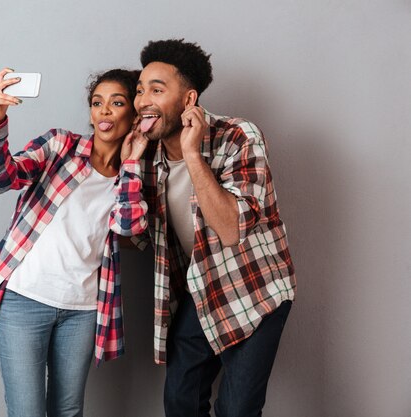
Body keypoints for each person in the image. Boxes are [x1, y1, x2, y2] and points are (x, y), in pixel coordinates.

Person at [114, 39, 297, 417]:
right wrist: (130, 167)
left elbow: (231, 230)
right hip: (201, 287)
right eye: (140, 90)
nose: (143, 100)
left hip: (255, 290)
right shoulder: (146, 157)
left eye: (157, 90)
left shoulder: (238, 136)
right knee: (180, 401)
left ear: (188, 100)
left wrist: (193, 154)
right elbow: (133, 239)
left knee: (237, 409)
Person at [0, 67, 147, 417]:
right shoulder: (61, 146)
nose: (104, 111)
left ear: (134, 113)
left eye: (117, 102)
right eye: (97, 103)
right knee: (28, 411)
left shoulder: (135, 174)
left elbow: (130, 228)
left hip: (81, 311)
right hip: (25, 301)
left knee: (68, 410)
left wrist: (131, 164)